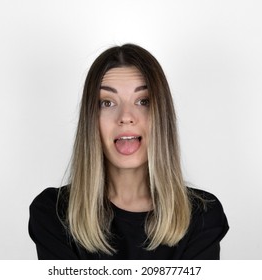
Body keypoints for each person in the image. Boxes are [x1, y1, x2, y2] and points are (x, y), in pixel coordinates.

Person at [28, 43, 229, 259]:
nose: (126, 116)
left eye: (143, 101)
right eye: (107, 103)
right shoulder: (53, 213)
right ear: (91, 119)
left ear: (162, 116)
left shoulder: (202, 216)